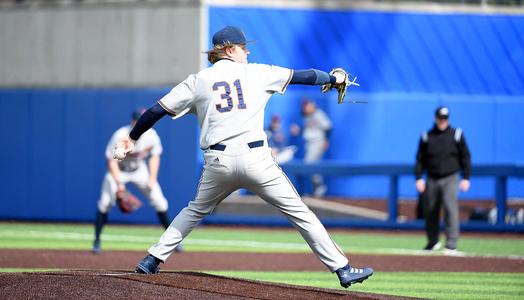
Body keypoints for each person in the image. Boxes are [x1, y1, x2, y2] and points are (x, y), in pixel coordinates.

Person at [115, 26, 373, 288]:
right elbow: (303, 76)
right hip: (256, 160)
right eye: (242, 47)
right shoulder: (258, 72)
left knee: (194, 210)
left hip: (219, 162)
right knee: (300, 213)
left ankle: (152, 259)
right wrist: (333, 78)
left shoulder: (198, 80)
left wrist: (133, 138)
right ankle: (342, 269)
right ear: (229, 49)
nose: (247, 51)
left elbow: (155, 111)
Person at [92, 109, 182, 254]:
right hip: (118, 171)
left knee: (160, 201)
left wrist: (152, 179)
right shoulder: (121, 135)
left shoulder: (151, 136)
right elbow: (111, 161)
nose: (143, 123)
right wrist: (119, 184)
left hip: (139, 171)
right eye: (139, 120)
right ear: (133, 122)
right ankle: (96, 241)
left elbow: (155, 156)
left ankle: (172, 242)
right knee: (104, 203)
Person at [415, 106, 471, 254]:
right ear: (435, 118)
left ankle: (451, 244)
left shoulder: (456, 134)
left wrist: (466, 177)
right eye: (440, 118)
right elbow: (419, 159)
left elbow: (466, 157)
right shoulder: (427, 135)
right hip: (432, 178)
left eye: (445, 118)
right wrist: (419, 177)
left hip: (450, 177)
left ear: (448, 119)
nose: (442, 121)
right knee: (430, 210)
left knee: (450, 209)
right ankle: (433, 241)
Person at [291, 98, 332, 196]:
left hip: (317, 143)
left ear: (312, 105)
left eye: (307, 106)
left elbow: (328, 128)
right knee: (312, 165)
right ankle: (317, 188)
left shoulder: (318, 114)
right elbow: (307, 130)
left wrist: (326, 140)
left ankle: (319, 187)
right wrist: (298, 130)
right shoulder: (306, 116)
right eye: (304, 106)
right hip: (309, 144)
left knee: (309, 164)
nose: (305, 108)